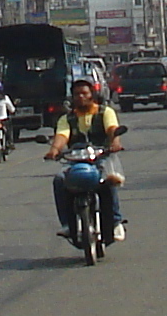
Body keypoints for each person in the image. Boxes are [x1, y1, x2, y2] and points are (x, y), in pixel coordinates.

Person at [43, 77, 128, 244]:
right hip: (75, 160)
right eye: (76, 94)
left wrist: (115, 142)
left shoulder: (105, 112)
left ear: (92, 95)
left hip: (101, 157)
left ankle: (116, 222)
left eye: (84, 93)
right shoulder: (67, 118)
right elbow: (62, 135)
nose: (80, 97)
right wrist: (54, 150)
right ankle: (67, 223)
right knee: (59, 180)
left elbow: (112, 129)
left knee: (108, 179)